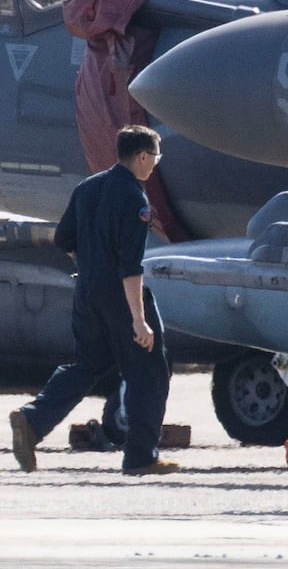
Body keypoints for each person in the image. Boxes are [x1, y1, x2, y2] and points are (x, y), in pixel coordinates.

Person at [9, 124, 177, 475]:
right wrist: (138, 319)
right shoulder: (135, 198)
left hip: (86, 291)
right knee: (149, 372)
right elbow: (130, 265)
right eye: (155, 158)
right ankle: (141, 457)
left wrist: (90, 264)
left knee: (87, 365)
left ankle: (33, 420)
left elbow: (62, 238)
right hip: (120, 296)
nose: (155, 165)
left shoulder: (88, 187)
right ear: (143, 156)